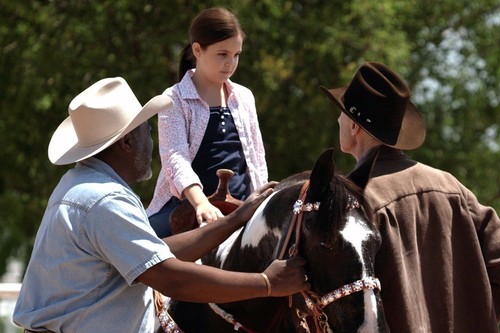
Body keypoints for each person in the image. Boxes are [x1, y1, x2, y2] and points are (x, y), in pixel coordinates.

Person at [12, 77, 308, 333]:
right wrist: (267, 283)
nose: (152, 143)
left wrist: (234, 220)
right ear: (127, 142)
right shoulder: (105, 199)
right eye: (147, 132)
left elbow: (157, 255)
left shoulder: (81, 184)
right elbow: (168, 277)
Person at [320, 62, 500, 332]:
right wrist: (473, 320)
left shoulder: (353, 201)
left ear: (355, 126)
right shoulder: (451, 187)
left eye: (342, 113)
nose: (338, 120)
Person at [147, 7, 267, 238]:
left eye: (236, 55)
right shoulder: (174, 98)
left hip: (242, 206)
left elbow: (257, 158)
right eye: (222, 54)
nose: (230, 63)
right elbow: (175, 157)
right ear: (198, 50)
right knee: (142, 255)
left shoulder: (244, 97)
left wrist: (262, 202)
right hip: (187, 204)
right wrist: (201, 203)